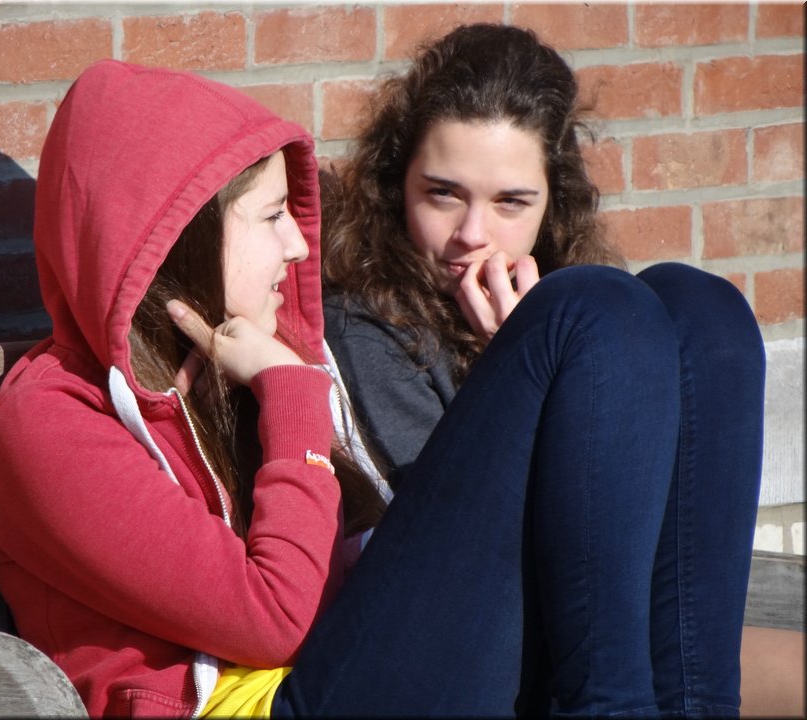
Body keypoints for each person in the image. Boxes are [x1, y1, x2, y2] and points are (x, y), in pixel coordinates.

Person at [0, 56, 766, 720]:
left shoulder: (229, 368)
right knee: (586, 312)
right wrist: (293, 395)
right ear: (184, 237)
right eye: (270, 217)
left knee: (699, 310)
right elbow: (272, 619)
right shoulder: (53, 422)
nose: (297, 247)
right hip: (269, 701)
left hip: (350, 667)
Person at [321, 21, 799, 718]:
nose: (471, 235)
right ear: (397, 188)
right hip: (408, 655)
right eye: (443, 194)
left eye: (510, 202)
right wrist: (518, 366)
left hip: (561, 635)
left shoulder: (579, 309)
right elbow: (451, 547)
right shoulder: (361, 320)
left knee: (701, 308)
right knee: (597, 308)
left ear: (552, 207)